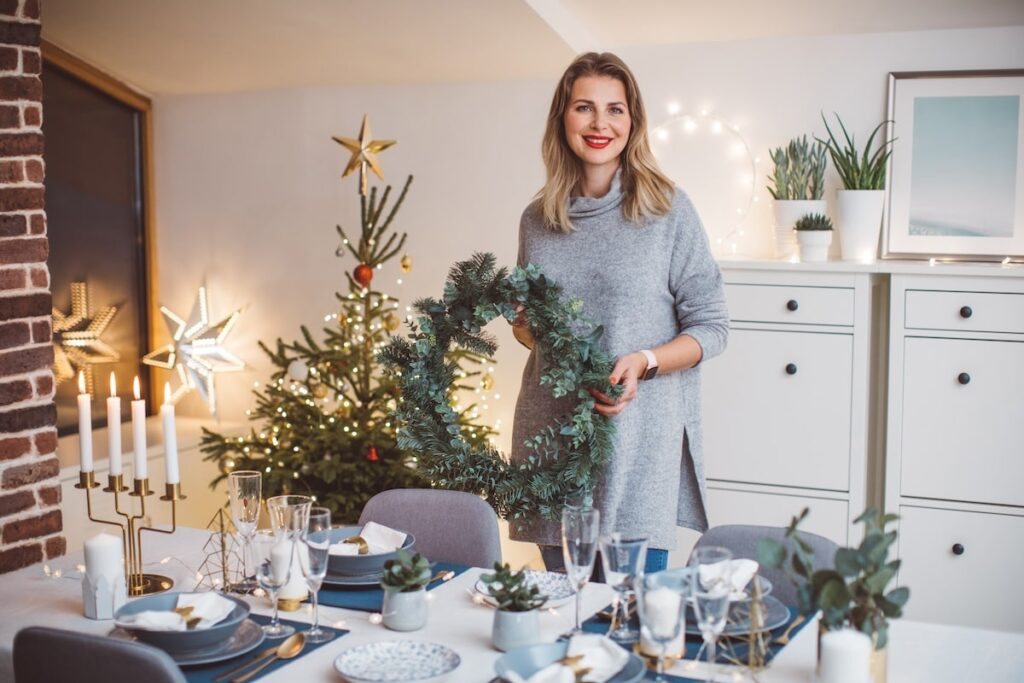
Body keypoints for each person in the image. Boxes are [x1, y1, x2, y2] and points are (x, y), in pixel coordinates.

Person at [510, 52, 729, 575]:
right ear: (562, 119)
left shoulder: (667, 209)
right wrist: (524, 323)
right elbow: (530, 333)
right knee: (564, 621)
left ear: (633, 122)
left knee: (631, 625)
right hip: (553, 445)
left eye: (615, 109)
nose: (600, 123)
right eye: (584, 108)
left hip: (637, 448)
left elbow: (712, 326)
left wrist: (644, 361)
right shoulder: (537, 220)